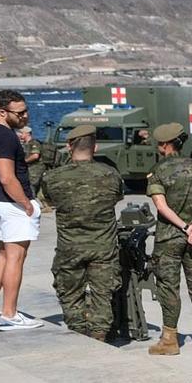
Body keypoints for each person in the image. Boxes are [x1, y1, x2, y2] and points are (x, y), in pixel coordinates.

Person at [38, 125, 124, 341]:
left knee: (69, 293)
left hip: (70, 248)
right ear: (94, 147)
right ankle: (99, 335)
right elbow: (117, 197)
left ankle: (78, 332)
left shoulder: (54, 177)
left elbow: (47, 200)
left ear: (69, 146)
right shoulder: (110, 174)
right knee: (102, 294)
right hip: (103, 248)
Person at [146, 122, 192, 355]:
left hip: (169, 238)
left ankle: (169, 341)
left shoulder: (158, 171)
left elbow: (161, 205)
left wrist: (184, 226)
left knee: (169, 288)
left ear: (165, 145)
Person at [0, 90, 43, 330]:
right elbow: (6, 177)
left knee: (3, 254)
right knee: (16, 257)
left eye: (26, 110)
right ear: (3, 112)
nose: (25, 116)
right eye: (20, 113)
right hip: (10, 203)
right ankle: (10, 314)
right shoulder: (6, 137)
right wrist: (25, 203)